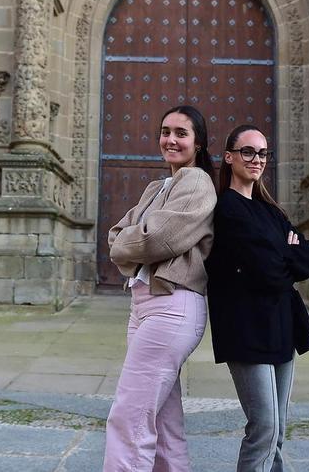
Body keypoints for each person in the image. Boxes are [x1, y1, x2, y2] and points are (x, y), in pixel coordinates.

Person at [103, 106, 217, 471]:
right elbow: (115, 235)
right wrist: (131, 241)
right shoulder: (157, 187)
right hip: (143, 305)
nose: (171, 139)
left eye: (181, 133)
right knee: (164, 423)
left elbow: (158, 239)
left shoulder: (197, 182)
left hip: (173, 305)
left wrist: (130, 242)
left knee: (129, 414)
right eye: (165, 131)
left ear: (198, 143)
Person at [205, 125, 309, 472]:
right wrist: (286, 253)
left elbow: (308, 257)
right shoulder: (227, 209)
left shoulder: (271, 210)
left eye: (263, 153)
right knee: (264, 427)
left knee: (278, 430)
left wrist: (283, 255)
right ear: (229, 157)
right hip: (246, 328)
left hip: (282, 324)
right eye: (248, 152)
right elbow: (266, 270)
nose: (257, 159)